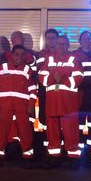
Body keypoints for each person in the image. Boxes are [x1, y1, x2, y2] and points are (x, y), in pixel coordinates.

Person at [38, 35, 84, 169]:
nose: (61, 46)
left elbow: (79, 77)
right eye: (59, 44)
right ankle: (54, 157)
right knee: (52, 130)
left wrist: (62, 80)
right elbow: (42, 77)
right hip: (52, 101)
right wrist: (53, 77)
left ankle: (73, 158)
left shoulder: (73, 59)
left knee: (71, 131)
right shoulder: (49, 59)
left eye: (64, 44)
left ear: (68, 45)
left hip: (68, 101)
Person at [0, 45, 37, 168]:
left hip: (22, 106)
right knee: (2, 131)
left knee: (25, 132)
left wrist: (31, 105)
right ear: (12, 54)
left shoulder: (28, 70)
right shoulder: (2, 68)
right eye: (17, 54)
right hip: (5, 105)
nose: (19, 57)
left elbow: (33, 89)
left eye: (22, 54)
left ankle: (27, 157)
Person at [34, 28, 60, 157]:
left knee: (58, 120)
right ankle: (45, 151)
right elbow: (39, 73)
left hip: (59, 92)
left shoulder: (64, 54)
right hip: (45, 91)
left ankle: (58, 150)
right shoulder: (41, 54)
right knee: (45, 119)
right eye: (48, 38)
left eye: (53, 38)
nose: (50, 40)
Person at [72, 31, 91, 143]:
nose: (87, 41)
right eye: (84, 39)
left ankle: (90, 143)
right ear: (80, 41)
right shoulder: (74, 55)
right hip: (80, 92)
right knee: (79, 118)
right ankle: (79, 142)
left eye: (89, 39)